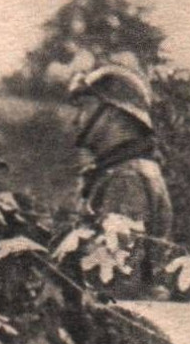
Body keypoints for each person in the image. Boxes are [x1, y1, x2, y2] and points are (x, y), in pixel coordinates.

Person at [67, 63, 172, 297]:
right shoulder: (125, 170)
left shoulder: (126, 178)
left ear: (113, 113)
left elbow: (115, 278)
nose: (76, 120)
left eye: (83, 108)